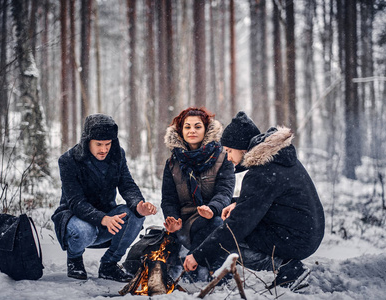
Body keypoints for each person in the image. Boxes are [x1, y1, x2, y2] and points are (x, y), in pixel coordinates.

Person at [183, 111, 325, 291]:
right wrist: (235, 204)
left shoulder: (261, 173)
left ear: (243, 149)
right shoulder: (277, 159)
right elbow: (268, 200)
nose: (227, 157)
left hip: (297, 240)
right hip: (308, 233)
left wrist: (199, 255)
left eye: (228, 151)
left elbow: (237, 226)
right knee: (236, 225)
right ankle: (287, 264)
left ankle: (288, 267)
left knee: (233, 236)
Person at [52, 114, 157, 282]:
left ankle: (109, 264)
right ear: (87, 141)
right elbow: (75, 202)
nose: (104, 149)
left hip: (108, 219)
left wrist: (138, 205)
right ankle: (74, 259)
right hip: (75, 220)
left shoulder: (117, 155)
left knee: (135, 215)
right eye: (98, 144)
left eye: (108, 144)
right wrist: (103, 218)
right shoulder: (68, 160)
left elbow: (127, 184)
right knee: (84, 230)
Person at [161, 107, 235, 257]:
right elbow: (168, 199)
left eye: (197, 126)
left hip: (213, 217)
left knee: (216, 224)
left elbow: (225, 192)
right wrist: (173, 220)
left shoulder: (222, 158)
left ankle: (213, 272)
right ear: (180, 131)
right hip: (185, 222)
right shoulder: (172, 163)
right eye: (187, 127)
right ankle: (192, 267)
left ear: (206, 130)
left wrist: (212, 209)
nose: (192, 131)